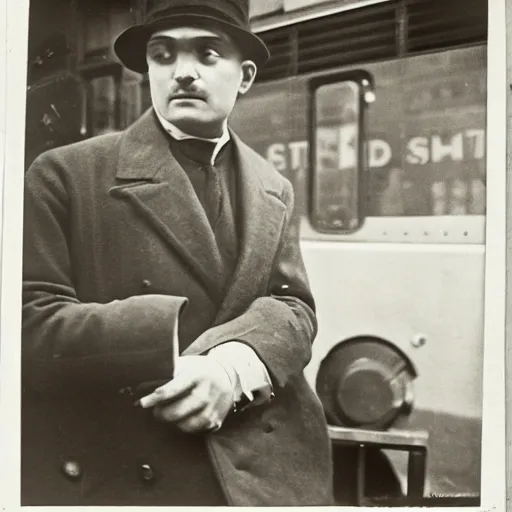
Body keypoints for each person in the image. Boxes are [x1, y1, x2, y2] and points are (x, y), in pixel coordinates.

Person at [21, 0, 334, 506]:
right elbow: (29, 325)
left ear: (245, 76)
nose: (183, 72)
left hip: (267, 466)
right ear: (148, 70)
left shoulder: (273, 187)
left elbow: (295, 307)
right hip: (132, 463)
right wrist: (169, 343)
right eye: (163, 55)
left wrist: (232, 369)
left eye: (207, 54)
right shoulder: (64, 176)